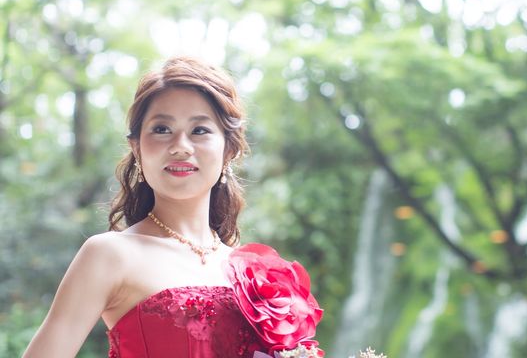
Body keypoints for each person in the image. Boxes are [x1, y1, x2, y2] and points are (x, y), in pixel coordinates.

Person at [22, 57, 322, 358]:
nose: (180, 146)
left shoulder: (253, 275)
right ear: (137, 147)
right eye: (162, 129)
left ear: (228, 149)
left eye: (199, 130)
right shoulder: (108, 254)